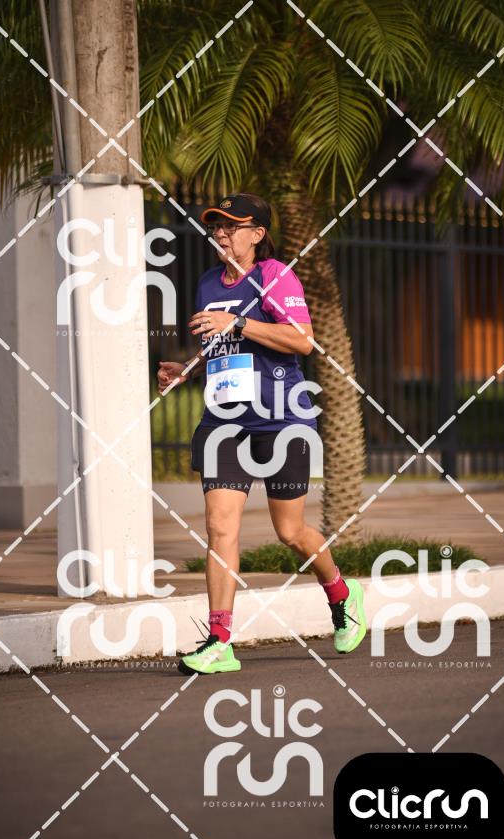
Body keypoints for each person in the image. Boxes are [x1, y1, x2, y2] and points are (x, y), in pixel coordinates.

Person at [157, 192, 367, 674]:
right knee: (220, 527)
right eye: (217, 226)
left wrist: (239, 321)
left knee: (289, 531)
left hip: (281, 419)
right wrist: (187, 368)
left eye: (232, 226)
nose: (221, 233)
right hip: (224, 421)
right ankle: (219, 640)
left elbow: (302, 339)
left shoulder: (275, 276)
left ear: (257, 234)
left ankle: (341, 592)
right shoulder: (208, 282)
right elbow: (221, 343)